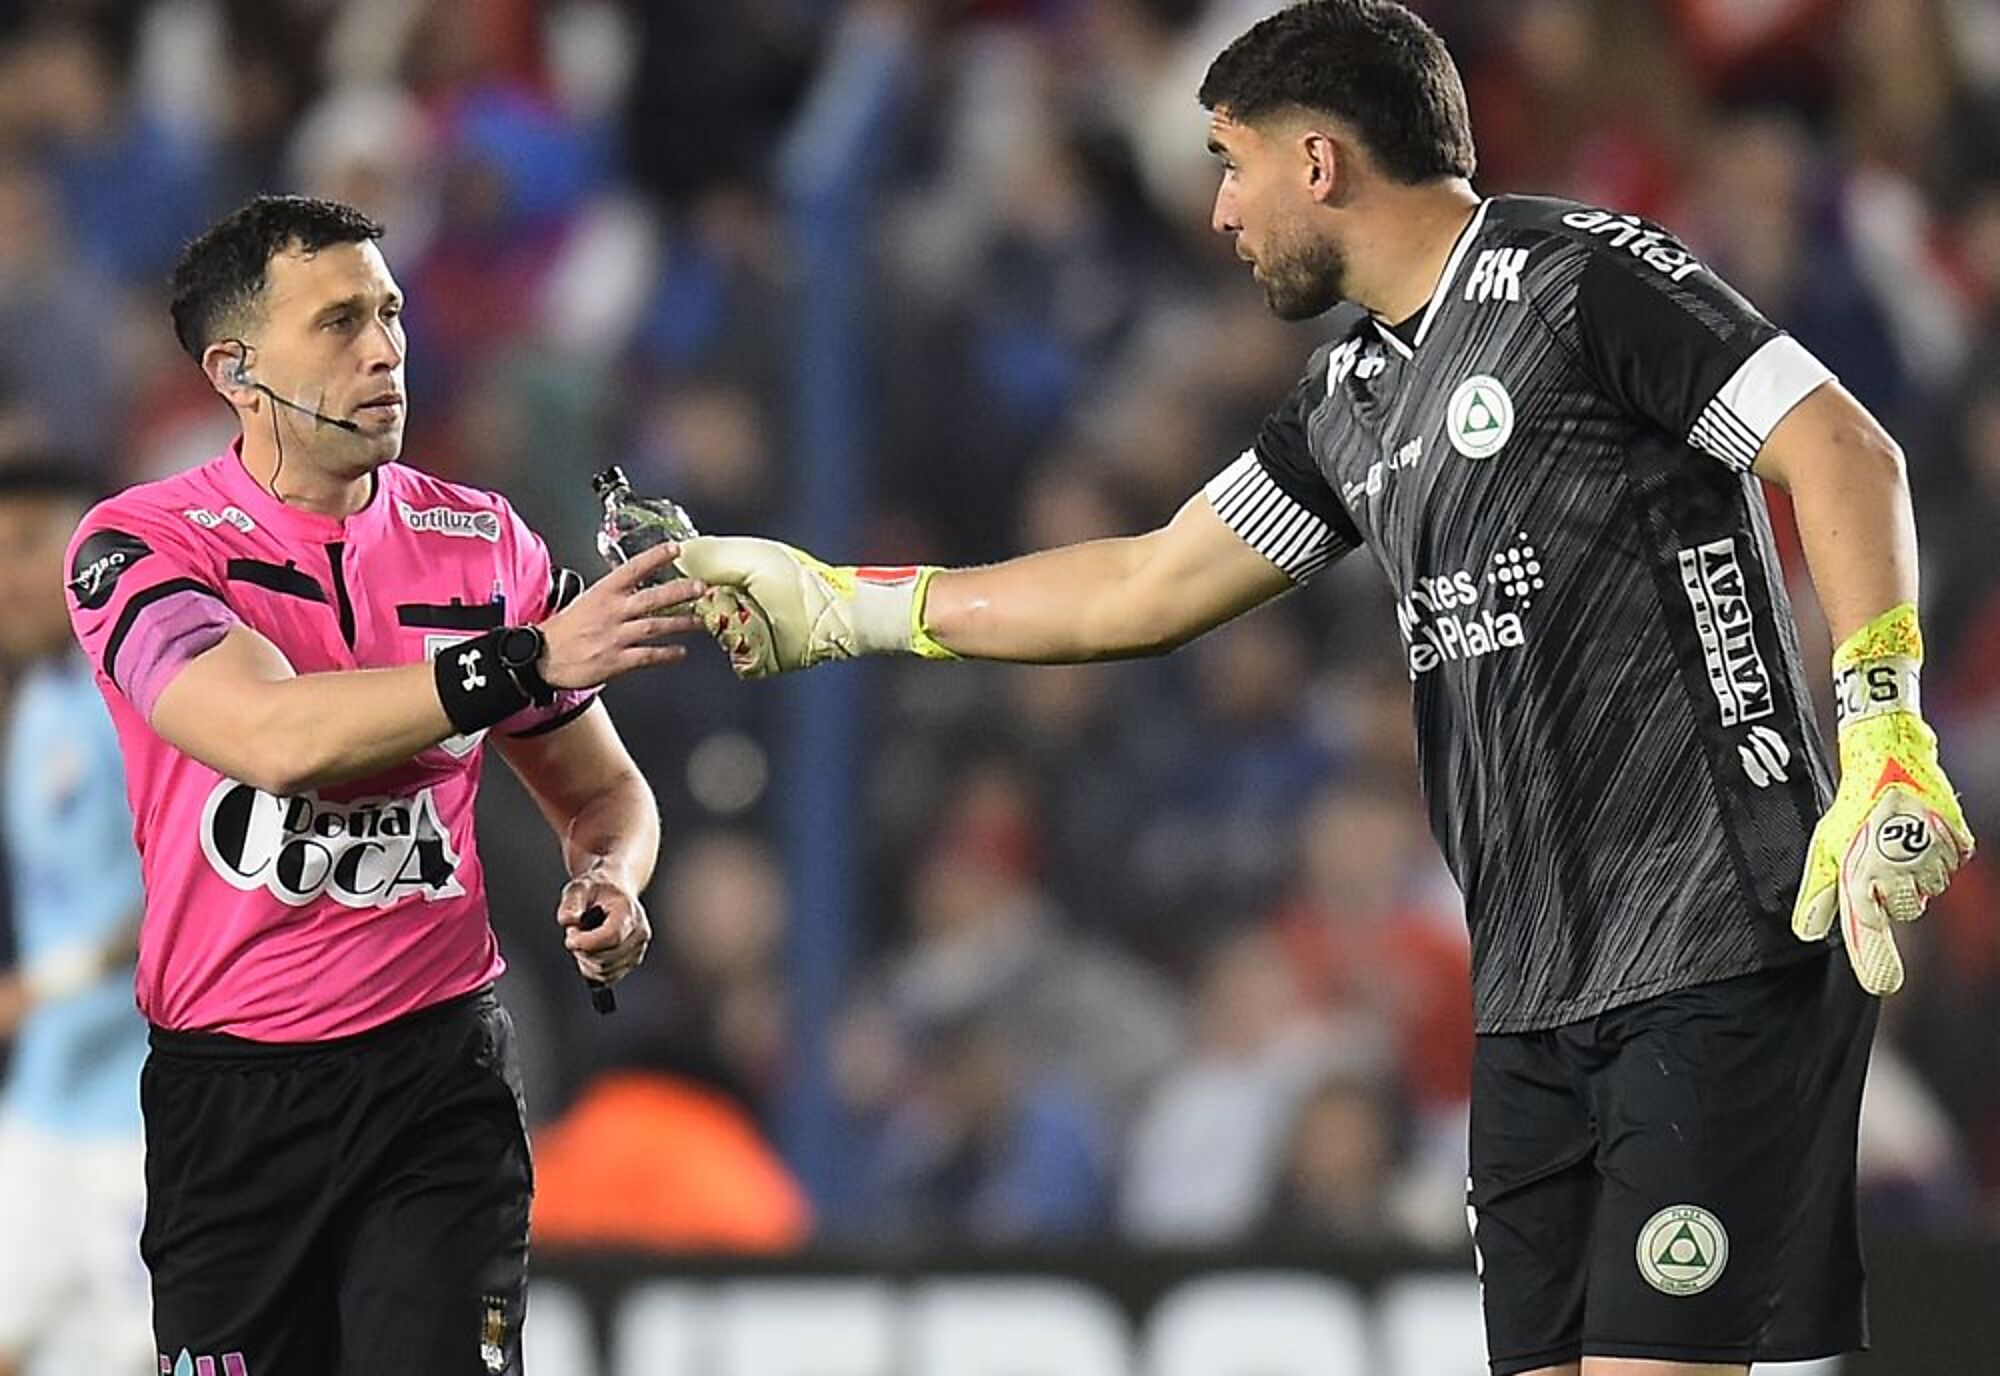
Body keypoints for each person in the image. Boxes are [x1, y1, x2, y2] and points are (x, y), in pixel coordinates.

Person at [676, 4, 1977, 1374]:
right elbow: (1145, 588)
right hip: (1534, 998)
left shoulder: (1578, 280)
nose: (1221, 209)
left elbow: (1845, 451)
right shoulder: (1352, 398)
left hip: (1717, 946)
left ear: (1320, 160)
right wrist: (851, 604)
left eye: (1232, 164)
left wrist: (1881, 719)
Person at [62, 195, 712, 1375]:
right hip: (232, 1096)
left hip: (433, 1076)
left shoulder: (483, 541)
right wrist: (517, 659)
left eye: (392, 313)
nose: (384, 350)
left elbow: (601, 791)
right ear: (236, 370)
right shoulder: (137, 546)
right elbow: (270, 734)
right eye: (340, 321)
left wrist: (611, 878)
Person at [0, 459, 150, 1376]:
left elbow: (184, 883)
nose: (4, 578)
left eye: (24, 548)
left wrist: (40, 985)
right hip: (44, 1099)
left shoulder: (136, 701)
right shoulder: (39, 703)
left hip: (139, 1112)